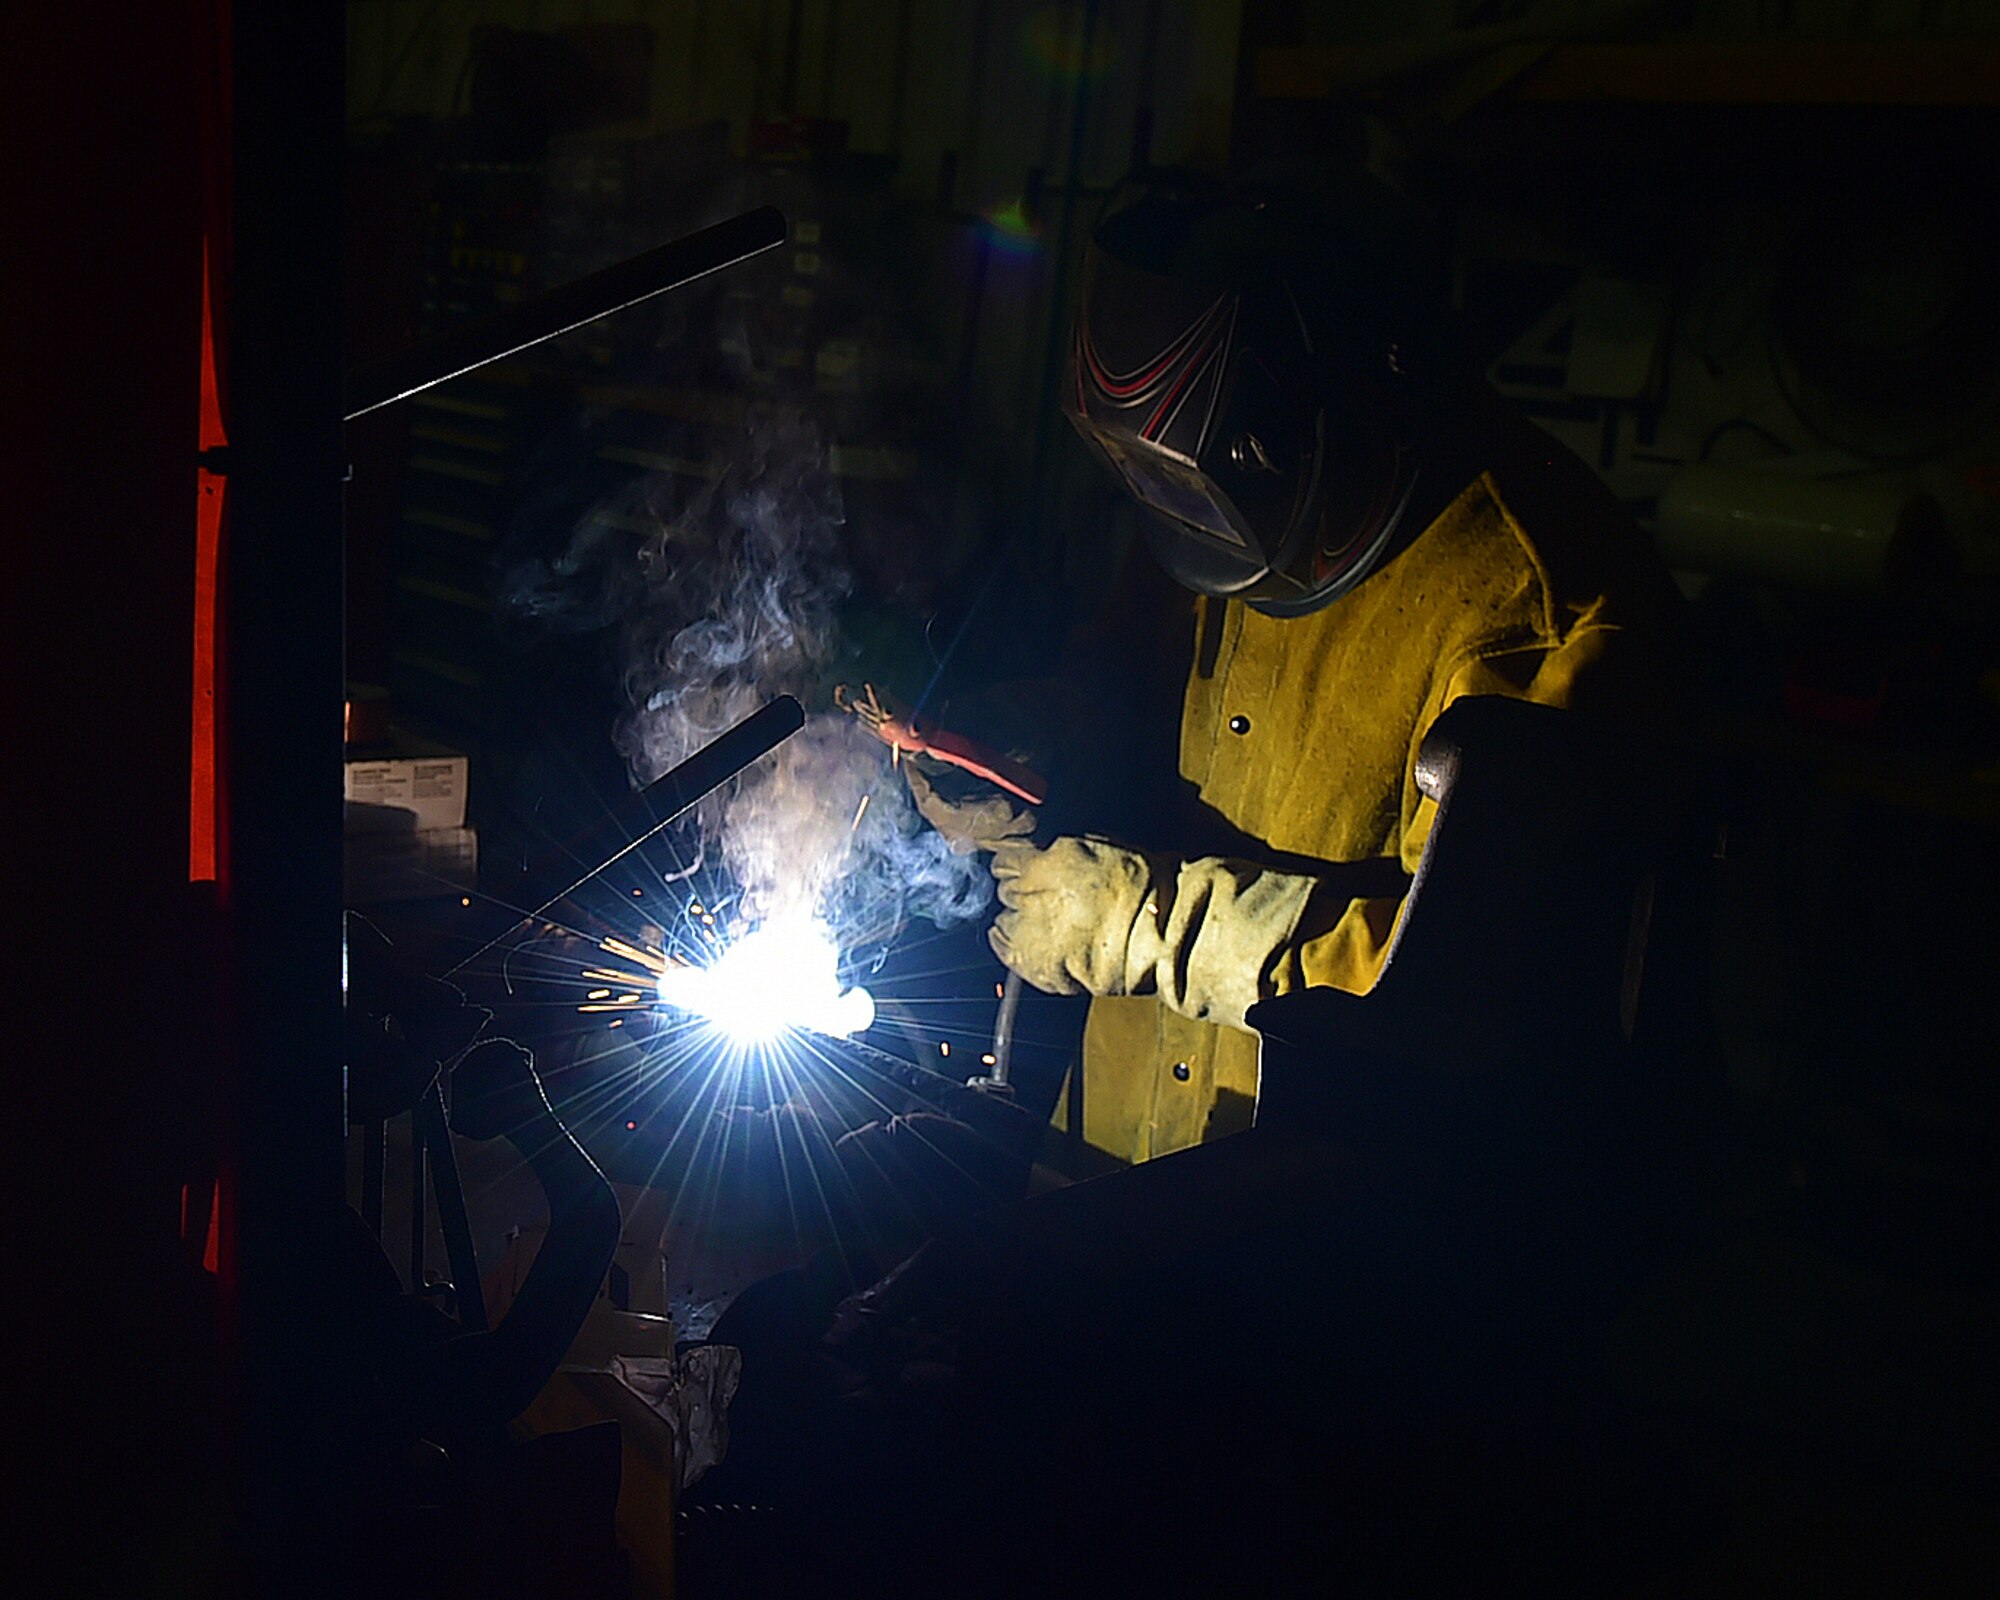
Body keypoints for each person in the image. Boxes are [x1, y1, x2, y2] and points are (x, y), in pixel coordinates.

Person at [913, 173, 1684, 1168]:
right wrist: (1020, 745)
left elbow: (1481, 988)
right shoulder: (1217, 508)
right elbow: (1121, 687)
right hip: (1120, 1159)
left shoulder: (1538, 605)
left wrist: (1144, 919)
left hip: (1341, 1215)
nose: (1177, 517)